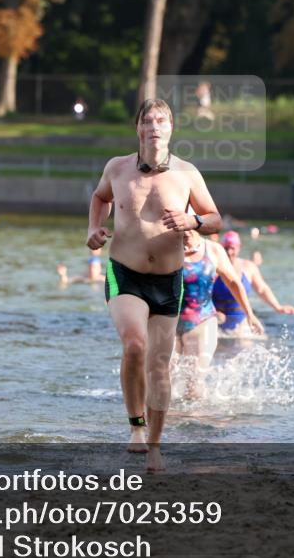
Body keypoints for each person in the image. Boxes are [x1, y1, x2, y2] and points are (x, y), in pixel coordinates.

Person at [87, 98, 222, 473]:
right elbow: (100, 197)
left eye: (162, 120)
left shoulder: (187, 174)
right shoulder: (117, 167)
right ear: (138, 128)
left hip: (168, 279)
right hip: (125, 273)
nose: (155, 126)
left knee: (160, 366)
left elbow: (215, 219)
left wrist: (192, 221)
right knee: (135, 344)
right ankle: (136, 428)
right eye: (148, 120)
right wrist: (94, 228)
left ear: (171, 128)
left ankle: (156, 446)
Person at [177, 229, 263, 399]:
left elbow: (234, 282)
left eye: (190, 224)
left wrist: (249, 314)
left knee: (194, 380)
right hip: (168, 322)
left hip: (203, 320)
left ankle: (195, 414)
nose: (186, 230)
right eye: (181, 225)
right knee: (162, 378)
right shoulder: (164, 248)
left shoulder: (214, 250)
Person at [212, 230, 294, 334]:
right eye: (226, 248)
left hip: (241, 322)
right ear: (221, 248)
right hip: (216, 321)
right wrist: (212, 311)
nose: (229, 252)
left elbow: (262, 289)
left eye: (232, 248)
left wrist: (278, 307)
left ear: (239, 248)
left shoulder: (248, 267)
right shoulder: (214, 266)